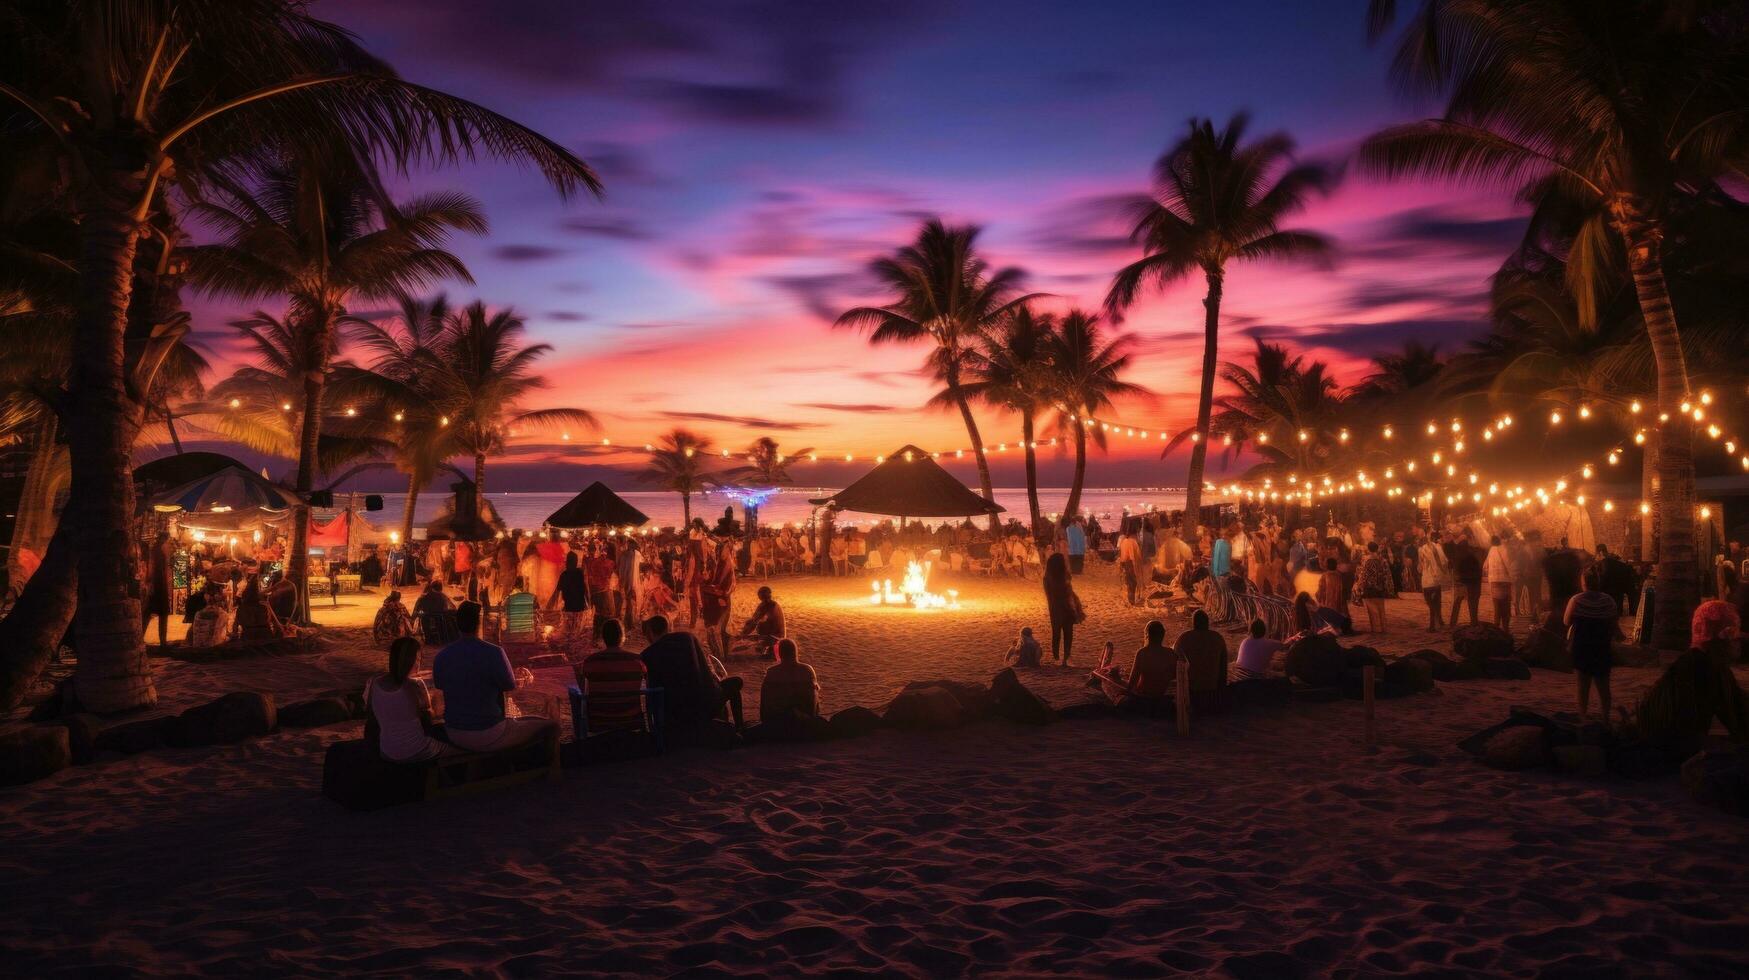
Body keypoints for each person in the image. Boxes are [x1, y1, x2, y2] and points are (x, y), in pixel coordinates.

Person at [432, 601, 558, 752]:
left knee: (523, 721)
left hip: (454, 732)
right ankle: (549, 772)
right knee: (551, 725)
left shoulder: (442, 656)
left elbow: (440, 685)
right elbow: (510, 685)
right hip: (489, 732)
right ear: (479, 622)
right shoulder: (494, 652)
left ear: (457, 623)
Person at [640, 615, 744, 731]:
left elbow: (652, 689)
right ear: (668, 628)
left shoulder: (647, 654)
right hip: (705, 704)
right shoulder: (688, 638)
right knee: (736, 683)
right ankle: (740, 727)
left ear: (649, 632)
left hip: (675, 714)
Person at [364, 637, 457, 762]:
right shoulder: (415, 685)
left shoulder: (375, 683)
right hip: (416, 750)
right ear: (411, 660)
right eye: (418, 658)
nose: (419, 662)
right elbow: (428, 721)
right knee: (460, 750)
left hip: (387, 751)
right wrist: (436, 702)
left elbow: (372, 714)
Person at [575, 618, 648, 733]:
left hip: (599, 720)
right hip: (630, 718)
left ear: (603, 637)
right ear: (622, 636)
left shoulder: (590, 662)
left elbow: (582, 688)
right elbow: (647, 679)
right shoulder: (636, 660)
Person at [1564, 573, 1619, 723]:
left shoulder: (1576, 600)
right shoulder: (1608, 601)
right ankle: (1606, 717)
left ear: (1583, 583)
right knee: (1603, 686)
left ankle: (1583, 716)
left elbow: (1566, 621)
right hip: (1602, 646)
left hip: (1581, 646)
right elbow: (1614, 622)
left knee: (1583, 685)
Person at [759, 638, 823, 732]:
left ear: (780, 653)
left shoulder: (772, 672)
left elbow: (764, 700)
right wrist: (811, 717)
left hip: (779, 719)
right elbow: (813, 698)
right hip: (802, 718)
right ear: (795, 652)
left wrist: (765, 720)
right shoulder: (807, 670)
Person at [1172, 609, 1231, 709]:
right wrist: (1221, 689)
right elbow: (1223, 666)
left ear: (1193, 623)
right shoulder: (1218, 638)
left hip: (1191, 688)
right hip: (1212, 686)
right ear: (1207, 622)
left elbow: (1175, 661)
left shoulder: (1184, 638)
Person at [1042, 553, 1082, 666]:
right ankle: (1066, 657)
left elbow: (1050, 594)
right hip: (1066, 608)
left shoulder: (1046, 578)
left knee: (1056, 633)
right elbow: (1068, 592)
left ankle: (1056, 657)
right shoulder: (1064, 577)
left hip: (1054, 609)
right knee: (1068, 633)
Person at [1120, 619, 1177, 699]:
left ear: (1148, 635)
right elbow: (1174, 675)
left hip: (1143, 695)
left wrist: (1125, 692)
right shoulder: (1170, 653)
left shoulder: (1142, 653)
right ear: (1162, 635)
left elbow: (1132, 682)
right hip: (1161, 694)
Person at [700, 540, 737, 659]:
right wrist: (707, 580)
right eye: (722, 549)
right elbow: (715, 582)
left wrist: (722, 595)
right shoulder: (720, 564)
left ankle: (722, 655)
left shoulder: (728, 565)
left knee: (719, 629)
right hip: (714, 601)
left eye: (726, 549)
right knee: (713, 629)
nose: (723, 552)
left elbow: (730, 586)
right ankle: (719, 654)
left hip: (722, 600)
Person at [141, 530, 175, 647]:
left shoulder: (157, 550)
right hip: (158, 586)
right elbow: (156, 569)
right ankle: (162, 641)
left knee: (150, 612)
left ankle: (160, 640)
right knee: (158, 613)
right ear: (163, 539)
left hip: (158, 585)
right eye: (166, 540)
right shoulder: (157, 551)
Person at [1356, 541, 1393, 634]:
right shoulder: (1383, 560)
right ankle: (1383, 628)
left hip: (1370, 588)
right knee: (1381, 609)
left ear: (1368, 549)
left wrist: (1360, 586)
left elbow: (1364, 575)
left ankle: (1376, 629)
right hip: (1380, 588)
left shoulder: (1367, 561)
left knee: (1372, 611)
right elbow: (1388, 575)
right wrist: (1388, 587)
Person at [1418, 530, 1450, 631]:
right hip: (1437, 578)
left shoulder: (1422, 550)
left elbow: (1420, 567)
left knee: (1430, 602)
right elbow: (1445, 562)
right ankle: (1439, 620)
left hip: (1427, 579)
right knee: (1437, 601)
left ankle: (1432, 624)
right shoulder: (1438, 547)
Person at [551, 552, 589, 638]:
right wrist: (588, 602)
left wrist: (550, 606)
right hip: (579, 606)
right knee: (577, 632)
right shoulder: (579, 573)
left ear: (567, 562)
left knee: (569, 632)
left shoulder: (564, 574)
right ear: (575, 562)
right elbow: (585, 589)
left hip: (569, 606)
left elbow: (557, 591)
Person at [740, 585, 785, 655]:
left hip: (775, 636)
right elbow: (754, 618)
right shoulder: (766, 604)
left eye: (761, 595)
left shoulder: (771, 605)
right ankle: (765, 645)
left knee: (757, 626)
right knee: (752, 624)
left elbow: (755, 620)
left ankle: (767, 646)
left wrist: (743, 634)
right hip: (773, 634)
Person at [1450, 533, 1483, 625]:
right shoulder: (1472, 552)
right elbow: (1477, 565)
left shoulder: (1456, 552)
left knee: (1457, 601)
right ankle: (1474, 621)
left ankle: (1453, 622)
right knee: (1473, 602)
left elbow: (1454, 565)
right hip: (1472, 580)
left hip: (1460, 579)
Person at [1485, 534, 1515, 627]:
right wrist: (1512, 577)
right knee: (1506, 606)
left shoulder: (1490, 551)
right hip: (1504, 580)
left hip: (1493, 582)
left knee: (1497, 606)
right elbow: (1507, 564)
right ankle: (1506, 627)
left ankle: (1496, 627)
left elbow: (1485, 566)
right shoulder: (1502, 549)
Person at [1116, 527, 1141, 605]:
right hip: (1130, 563)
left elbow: (1120, 554)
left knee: (1128, 581)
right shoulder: (1132, 541)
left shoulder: (1124, 541)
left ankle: (1130, 599)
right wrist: (1135, 567)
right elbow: (1132, 556)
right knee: (1133, 582)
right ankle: (1132, 600)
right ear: (1134, 534)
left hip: (1124, 563)